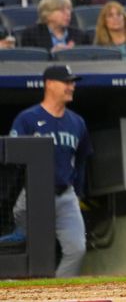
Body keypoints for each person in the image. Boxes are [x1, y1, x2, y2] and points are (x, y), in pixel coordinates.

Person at [8, 65, 91, 277]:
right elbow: (12, 163)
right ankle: (25, 291)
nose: (71, 86)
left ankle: (56, 292)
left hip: (65, 195)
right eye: (66, 82)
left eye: (72, 82)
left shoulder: (77, 122)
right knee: (30, 250)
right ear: (49, 84)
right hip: (33, 196)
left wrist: (78, 192)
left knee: (77, 249)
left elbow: (81, 160)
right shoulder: (27, 119)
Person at [19, 0, 89, 51]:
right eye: (62, 10)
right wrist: (53, 54)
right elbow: (31, 62)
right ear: (47, 14)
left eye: (69, 9)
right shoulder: (31, 35)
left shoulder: (80, 35)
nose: (68, 13)